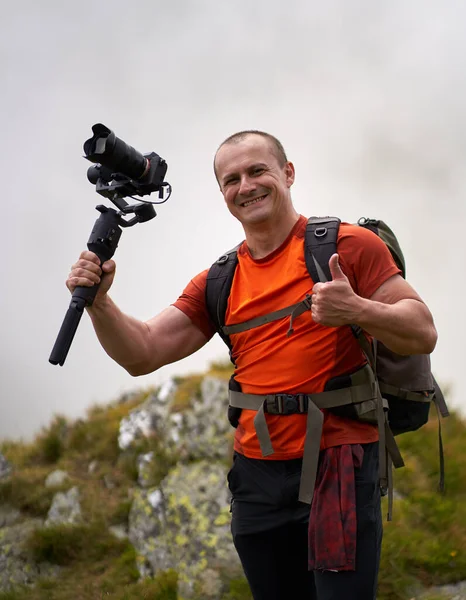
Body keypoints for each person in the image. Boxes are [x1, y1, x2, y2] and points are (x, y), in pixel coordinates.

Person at [66, 131, 437, 600]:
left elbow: (422, 329)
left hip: (339, 463)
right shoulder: (219, 280)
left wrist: (357, 310)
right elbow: (142, 353)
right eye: (231, 179)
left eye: (258, 171)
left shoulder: (348, 246)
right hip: (256, 477)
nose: (246, 186)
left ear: (288, 173)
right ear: (222, 194)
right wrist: (100, 303)